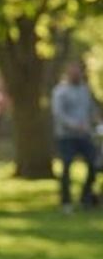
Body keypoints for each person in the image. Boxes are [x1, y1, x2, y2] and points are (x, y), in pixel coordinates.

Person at [52, 60, 99, 212]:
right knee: (66, 167)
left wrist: (95, 121)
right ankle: (66, 202)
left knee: (94, 164)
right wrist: (74, 125)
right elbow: (59, 114)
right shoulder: (60, 91)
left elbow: (91, 111)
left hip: (85, 136)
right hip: (67, 137)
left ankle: (86, 198)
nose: (76, 74)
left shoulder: (85, 90)